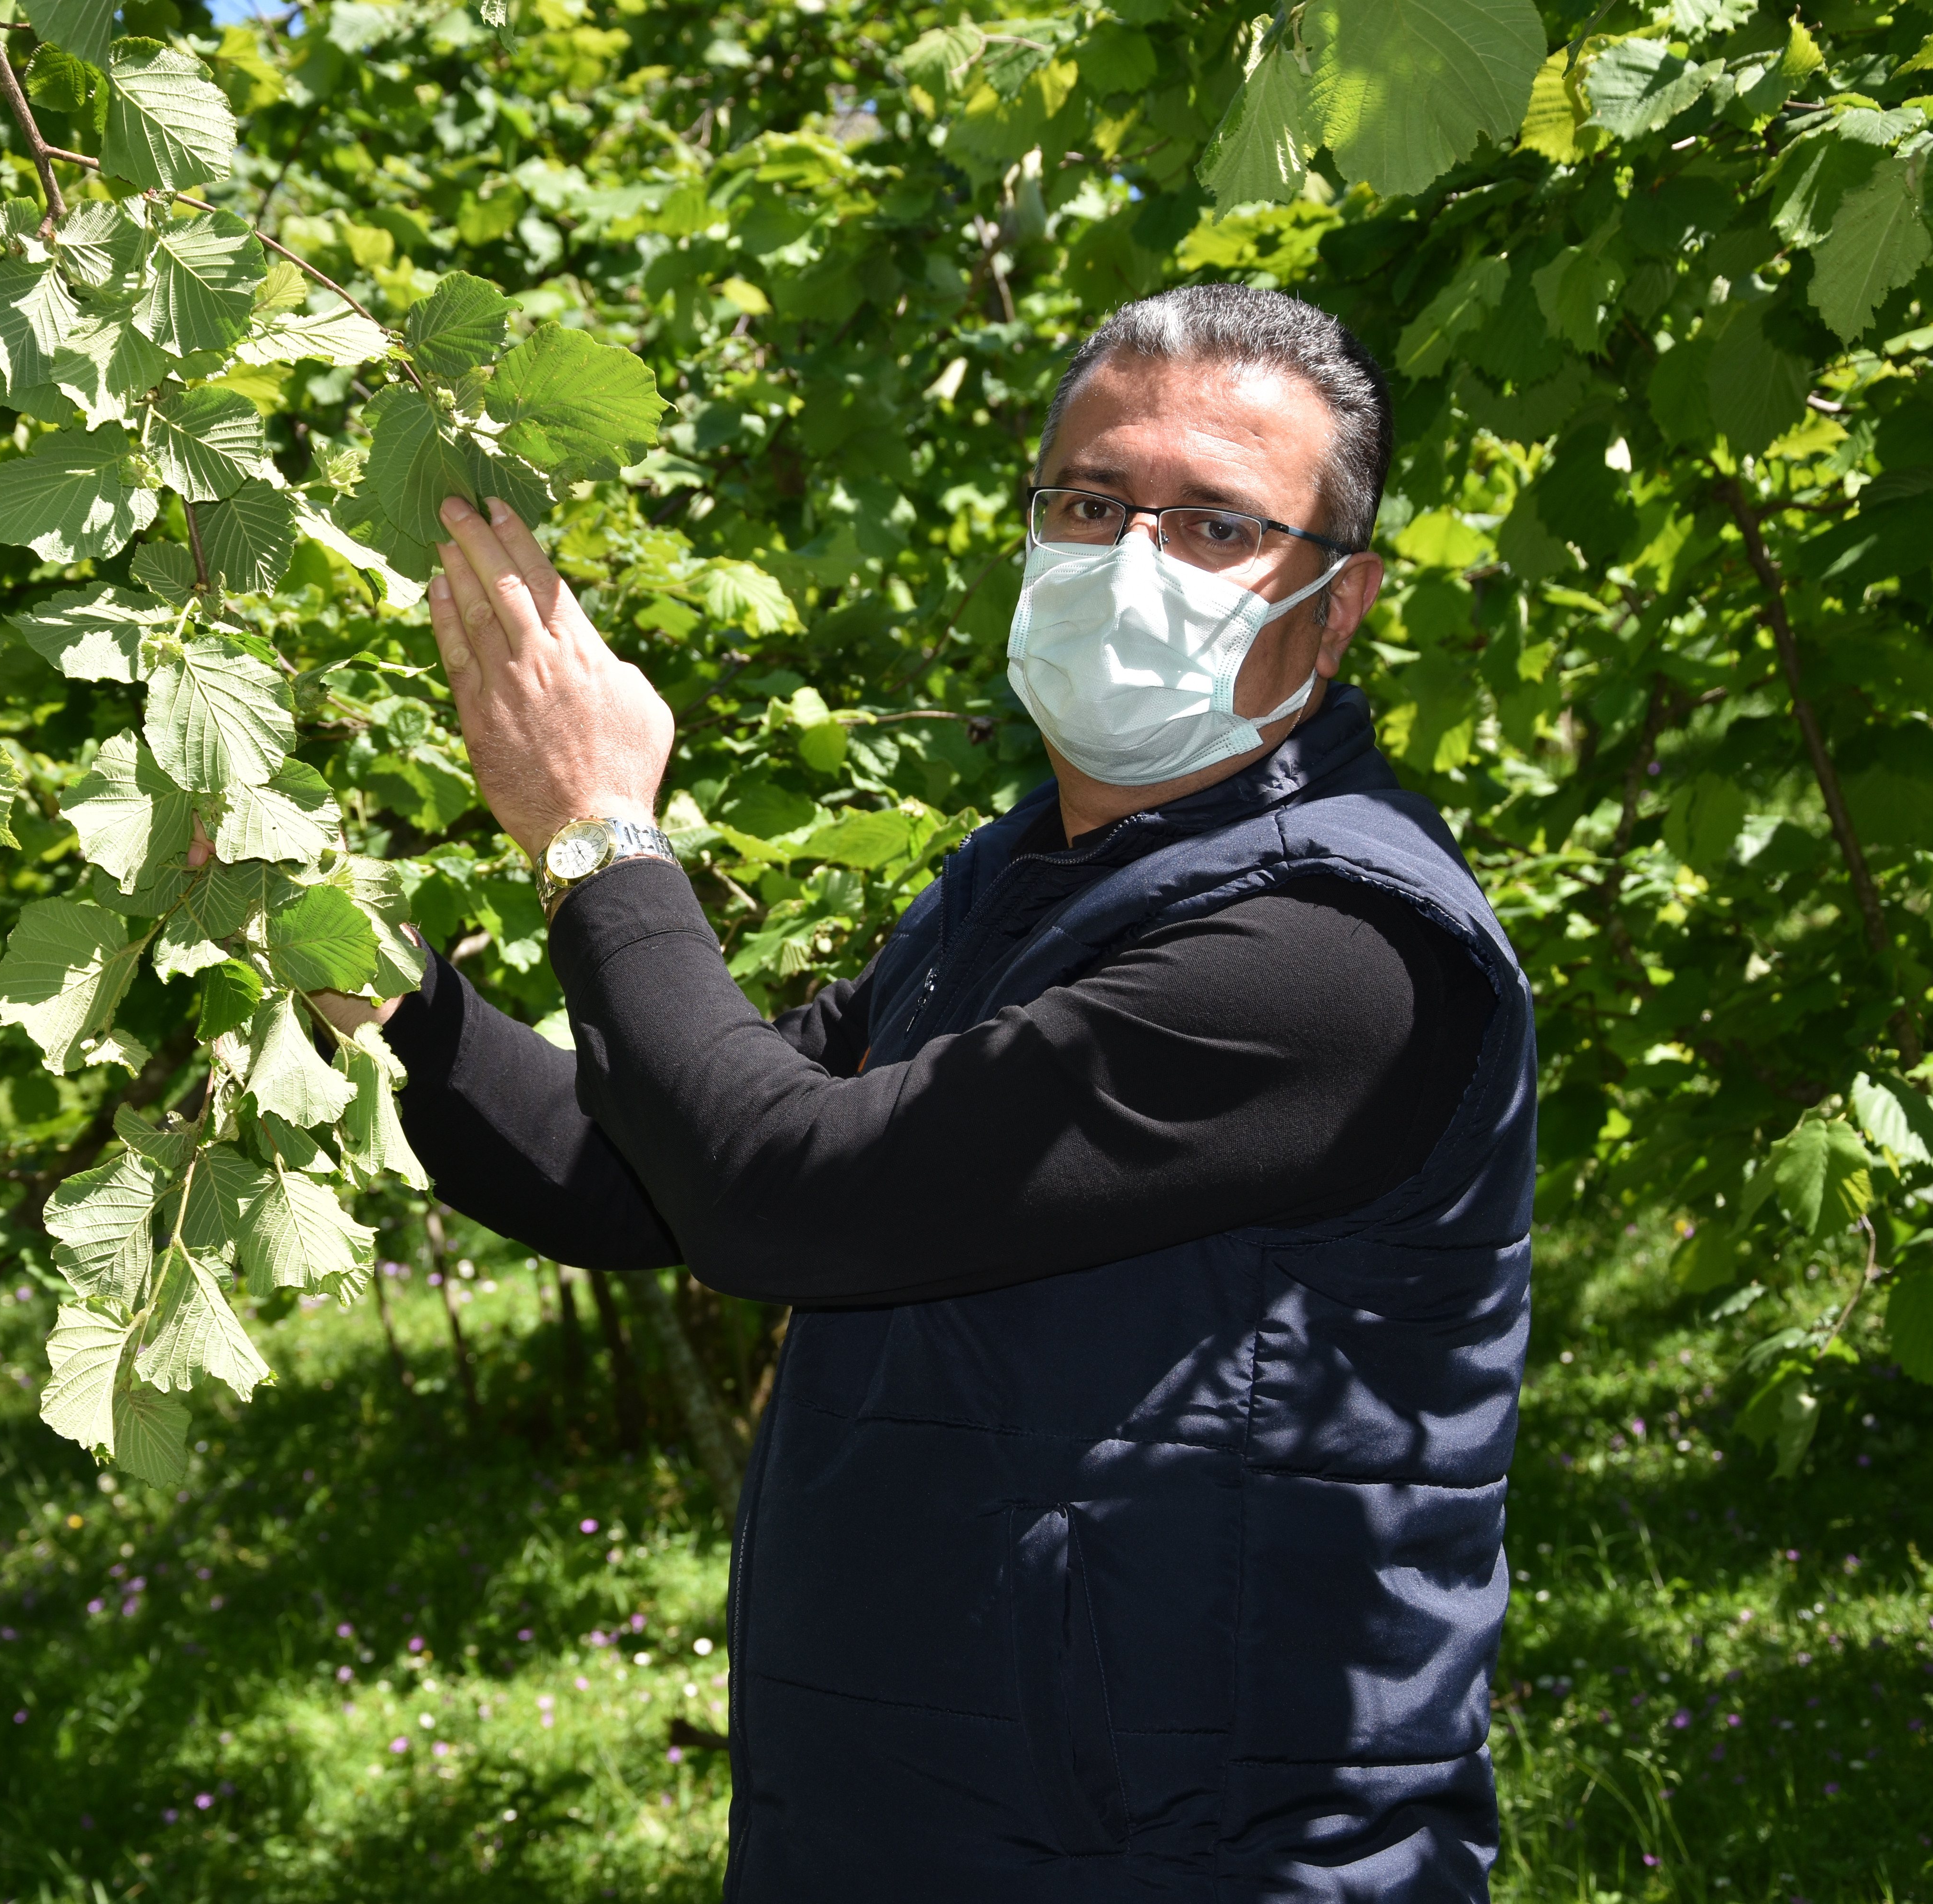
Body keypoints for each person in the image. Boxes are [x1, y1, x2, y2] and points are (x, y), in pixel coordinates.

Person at [317, 284, 1536, 1901]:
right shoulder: (1018, 890)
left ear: (1338, 601)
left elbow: (782, 1193)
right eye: (1092, 503)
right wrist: (376, 983)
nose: (1131, 563)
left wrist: (600, 834)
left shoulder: (1339, 955)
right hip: (913, 1818)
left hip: (1185, 1861)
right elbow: (647, 1179)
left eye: (1217, 526)